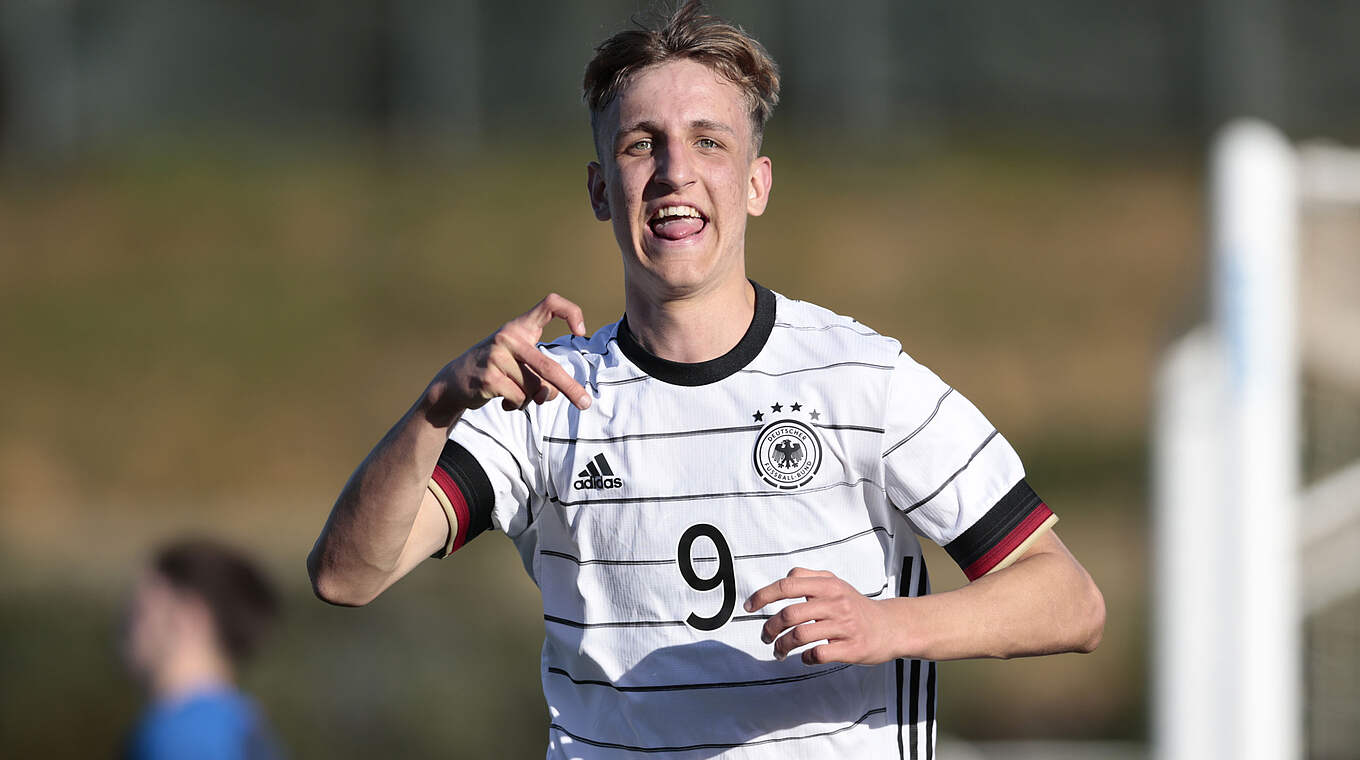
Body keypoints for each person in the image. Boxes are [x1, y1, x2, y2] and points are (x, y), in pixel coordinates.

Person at [307, 2, 1105, 756]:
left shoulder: (862, 378)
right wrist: (438, 405)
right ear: (601, 190)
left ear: (756, 184)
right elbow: (347, 576)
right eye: (640, 144)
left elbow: (1069, 601)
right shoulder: (544, 397)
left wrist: (887, 625)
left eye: (709, 142)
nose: (674, 172)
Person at [122, 539, 282, 760]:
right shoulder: (244, 724)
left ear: (187, 616)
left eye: (140, 612)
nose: (125, 627)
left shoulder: (180, 739)